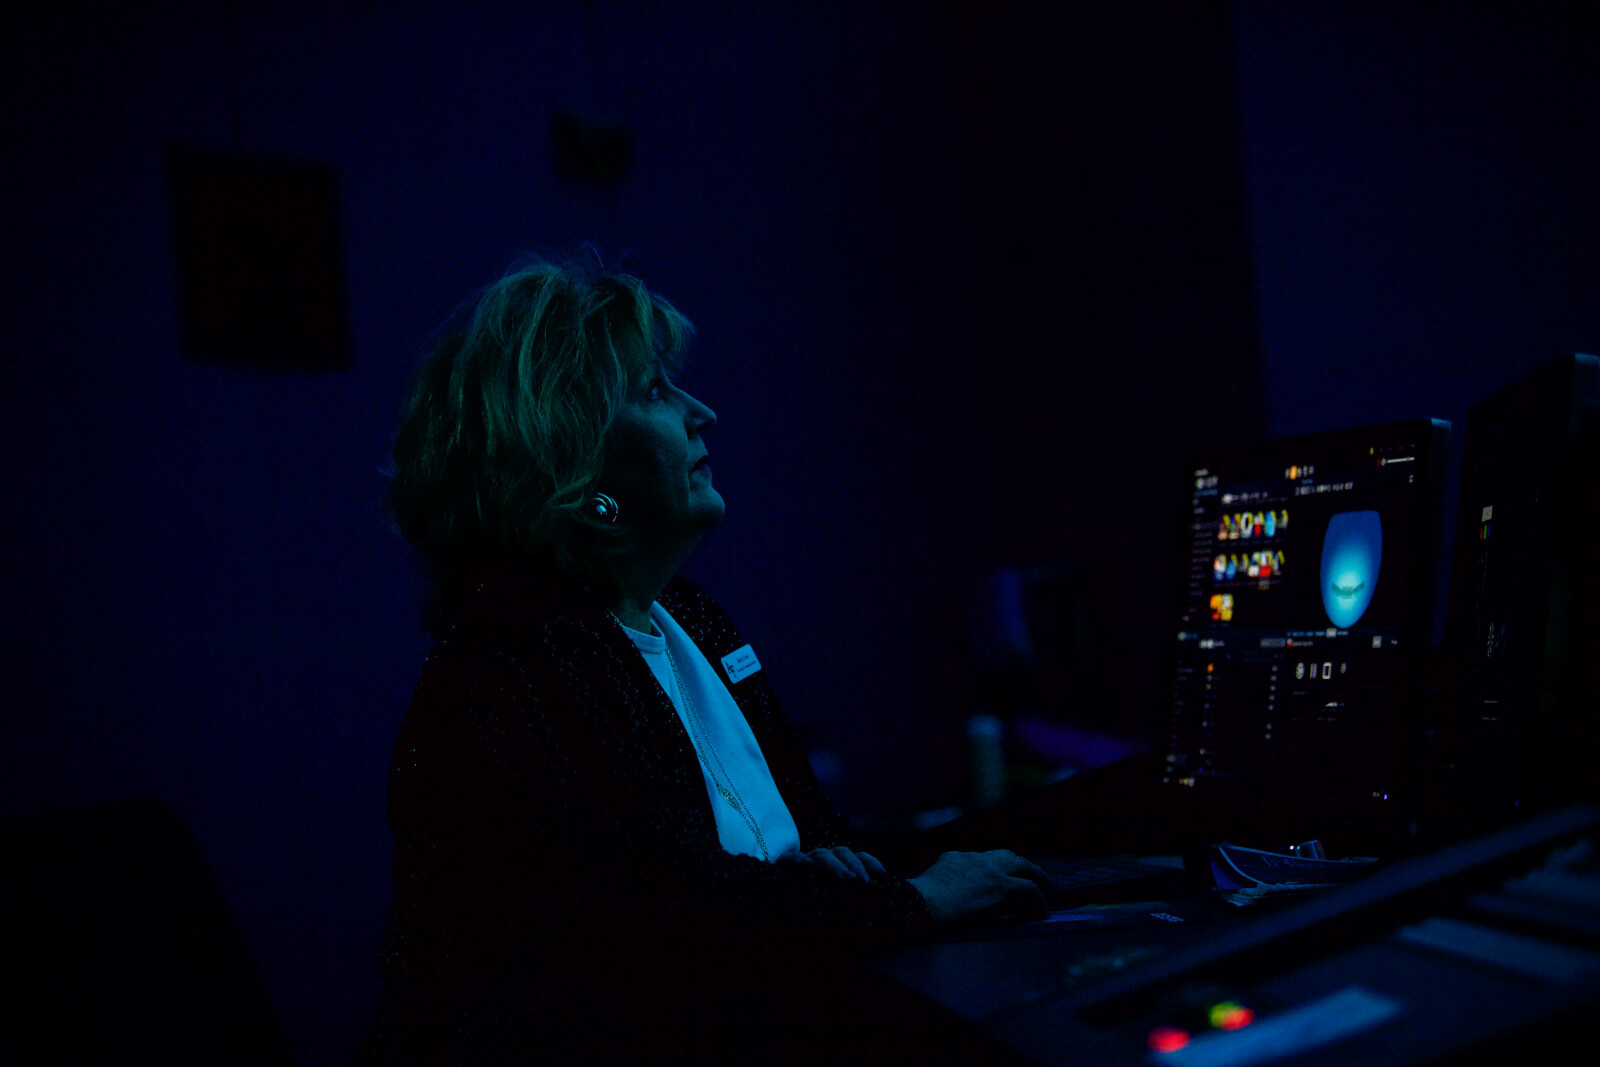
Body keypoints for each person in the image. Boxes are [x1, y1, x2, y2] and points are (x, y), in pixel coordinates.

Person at [356, 252, 1050, 1065]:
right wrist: (919, 899)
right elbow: (667, 917)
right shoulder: (514, 656)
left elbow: (815, 844)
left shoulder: (693, 619)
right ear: (568, 458)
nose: (703, 412)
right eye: (653, 391)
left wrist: (834, 886)